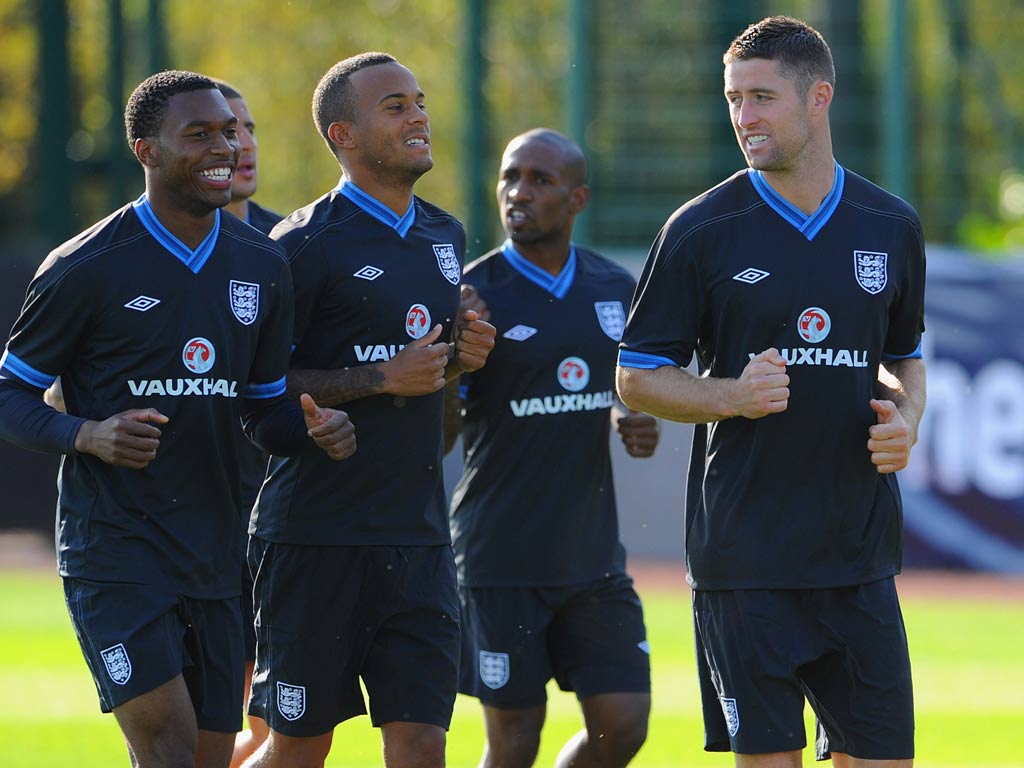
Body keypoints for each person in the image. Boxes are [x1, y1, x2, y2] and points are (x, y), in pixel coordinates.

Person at [0, 70, 356, 768]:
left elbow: (264, 411)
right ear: (147, 151)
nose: (223, 147)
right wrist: (87, 435)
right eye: (198, 135)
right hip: (117, 551)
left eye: (229, 131)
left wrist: (312, 433)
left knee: (205, 754)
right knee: (165, 739)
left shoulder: (263, 264)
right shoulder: (84, 266)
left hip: (223, 553)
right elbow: (8, 394)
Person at [616, 16, 926, 767]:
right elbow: (635, 375)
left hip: (858, 557)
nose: (743, 118)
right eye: (733, 99)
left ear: (819, 97)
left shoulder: (890, 225)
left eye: (762, 98)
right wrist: (731, 396)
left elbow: (904, 358)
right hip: (744, 563)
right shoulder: (699, 229)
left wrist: (908, 416)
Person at [241, 52, 496, 768]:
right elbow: (256, 392)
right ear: (342, 135)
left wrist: (459, 367)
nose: (418, 115)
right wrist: (376, 377)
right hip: (314, 539)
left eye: (418, 100)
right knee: (297, 750)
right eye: (394, 106)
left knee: (420, 745)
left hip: (417, 540)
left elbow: (439, 416)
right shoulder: (300, 245)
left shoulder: (445, 237)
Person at [446, 128, 660, 768]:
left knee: (623, 724)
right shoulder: (471, 295)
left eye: (540, 180)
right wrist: (455, 357)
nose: (519, 193)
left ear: (578, 198)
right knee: (513, 742)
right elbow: (443, 435)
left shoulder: (613, 288)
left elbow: (630, 388)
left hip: (591, 555)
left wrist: (632, 416)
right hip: (500, 555)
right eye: (511, 177)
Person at [209, 78, 281, 768]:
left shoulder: (291, 245)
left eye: (248, 127)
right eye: (224, 130)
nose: (242, 144)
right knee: (192, 726)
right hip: (179, 518)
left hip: (276, 515)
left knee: (270, 731)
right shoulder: (130, 249)